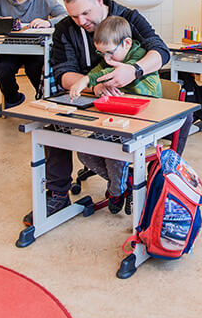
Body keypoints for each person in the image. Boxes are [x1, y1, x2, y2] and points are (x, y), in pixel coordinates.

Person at [32, 0, 188, 220]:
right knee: (54, 123)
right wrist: (95, 84)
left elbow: (160, 51)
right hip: (91, 96)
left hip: (129, 100)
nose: (81, 22)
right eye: (74, 16)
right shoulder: (65, 29)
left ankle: (155, 184)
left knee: (183, 118)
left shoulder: (128, 19)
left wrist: (134, 70)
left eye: (85, 13)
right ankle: (58, 195)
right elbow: (64, 74)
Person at [68, 16, 162, 213]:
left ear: (127, 43)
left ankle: (116, 190)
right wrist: (86, 80)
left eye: (109, 53)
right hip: (118, 122)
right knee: (84, 151)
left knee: (112, 147)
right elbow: (98, 71)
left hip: (144, 124)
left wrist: (94, 80)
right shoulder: (112, 58)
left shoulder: (139, 56)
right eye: (101, 54)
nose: (106, 60)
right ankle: (123, 183)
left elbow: (110, 74)